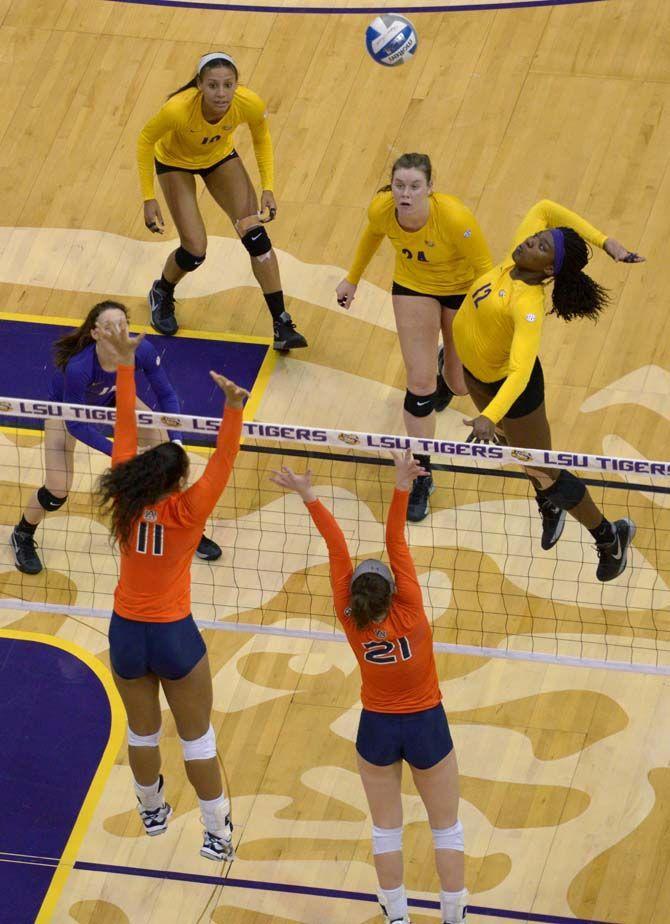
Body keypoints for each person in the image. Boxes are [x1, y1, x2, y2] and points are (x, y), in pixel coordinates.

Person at [271, 451, 468, 924]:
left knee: (386, 832)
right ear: (394, 590)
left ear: (356, 597)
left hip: (377, 727)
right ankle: (455, 917)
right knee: (447, 831)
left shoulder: (349, 618)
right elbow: (394, 539)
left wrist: (308, 496)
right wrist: (402, 485)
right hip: (426, 725)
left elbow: (337, 550)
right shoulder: (412, 610)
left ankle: (397, 917)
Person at [97, 323, 248, 861]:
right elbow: (225, 463)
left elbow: (125, 433)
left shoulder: (125, 499)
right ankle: (216, 832)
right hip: (173, 637)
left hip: (125, 636)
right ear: (180, 484)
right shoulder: (188, 513)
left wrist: (124, 366)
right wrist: (233, 408)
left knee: (141, 734)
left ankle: (151, 811)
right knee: (197, 739)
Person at [452, 199, 645, 582]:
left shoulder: (528, 304)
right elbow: (545, 207)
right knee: (518, 454)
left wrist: (491, 416)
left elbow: (521, 372)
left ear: (548, 270)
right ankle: (549, 503)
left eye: (540, 247)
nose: (529, 243)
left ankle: (610, 537)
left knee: (545, 470)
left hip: (511, 391)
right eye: (536, 239)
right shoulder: (518, 261)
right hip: (479, 379)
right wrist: (606, 243)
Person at [10, 300, 221, 575]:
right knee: (57, 489)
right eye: (110, 326)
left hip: (114, 398)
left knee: (166, 457)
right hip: (65, 412)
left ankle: (184, 530)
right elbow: (76, 423)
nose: (118, 331)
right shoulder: (79, 368)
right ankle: (23, 535)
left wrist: (177, 440)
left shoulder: (141, 350)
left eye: (123, 325)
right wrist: (120, 455)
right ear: (96, 333)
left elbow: (166, 395)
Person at [336, 153, 493, 522]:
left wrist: (490, 312)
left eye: (414, 187)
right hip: (413, 289)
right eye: (399, 186)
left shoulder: (455, 218)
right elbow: (372, 236)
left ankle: (445, 367)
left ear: (430, 188)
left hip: (461, 292)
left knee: (459, 385)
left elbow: (486, 269)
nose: (405, 194)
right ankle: (422, 472)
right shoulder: (382, 209)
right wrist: (352, 278)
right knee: (420, 383)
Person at [137, 51, 307, 351]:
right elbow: (144, 140)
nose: (221, 93)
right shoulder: (177, 110)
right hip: (175, 162)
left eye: (228, 85)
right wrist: (148, 197)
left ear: (236, 85)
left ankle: (281, 322)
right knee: (195, 252)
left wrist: (268, 187)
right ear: (199, 85)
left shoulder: (248, 103)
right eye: (213, 85)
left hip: (218, 158)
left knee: (256, 236)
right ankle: (162, 292)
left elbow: (261, 137)